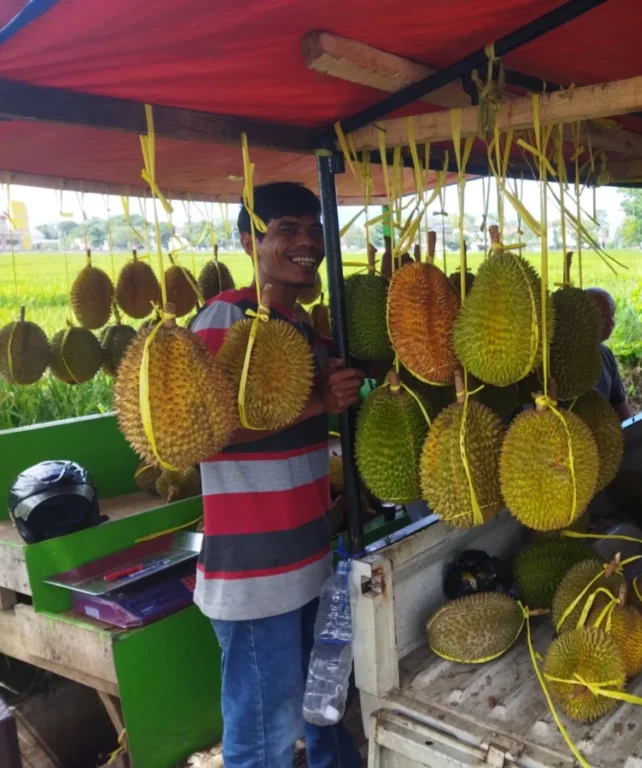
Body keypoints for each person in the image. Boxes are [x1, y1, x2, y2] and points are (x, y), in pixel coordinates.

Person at [191, 182, 365, 768]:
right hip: (252, 573)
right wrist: (318, 404)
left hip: (313, 559)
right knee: (263, 735)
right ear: (250, 241)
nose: (307, 242)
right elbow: (203, 434)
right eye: (287, 229)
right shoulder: (224, 317)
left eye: (314, 230)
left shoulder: (313, 336)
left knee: (325, 710)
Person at [586, 287, 633, 421]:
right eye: (603, 315)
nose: (612, 322)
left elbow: (619, 405)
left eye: (613, 314)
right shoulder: (561, 359)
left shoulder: (606, 355)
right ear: (584, 316)